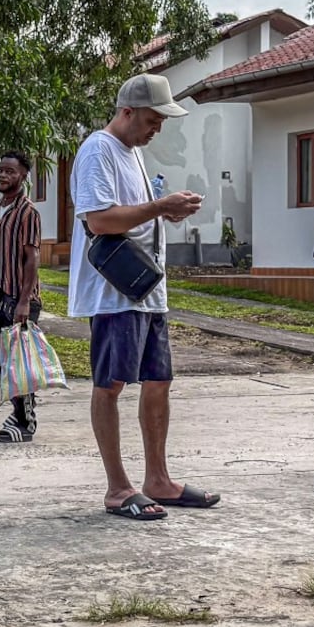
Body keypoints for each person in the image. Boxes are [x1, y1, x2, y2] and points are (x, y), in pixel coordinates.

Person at [68, 73, 221, 520]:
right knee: (111, 384)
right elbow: (98, 220)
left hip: (146, 290)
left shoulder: (132, 153)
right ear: (127, 111)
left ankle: (158, 478)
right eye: (153, 119)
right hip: (114, 293)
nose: (158, 128)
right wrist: (159, 207)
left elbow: (129, 215)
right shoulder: (99, 150)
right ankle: (118, 488)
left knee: (159, 381)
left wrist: (164, 214)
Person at [0, 151, 43, 443]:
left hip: (20, 298)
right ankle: (22, 405)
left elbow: (32, 258)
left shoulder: (28, 212)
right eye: (1, 170)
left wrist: (25, 301)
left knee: (17, 363)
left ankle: (25, 422)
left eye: (10, 172)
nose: (3, 175)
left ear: (23, 176)